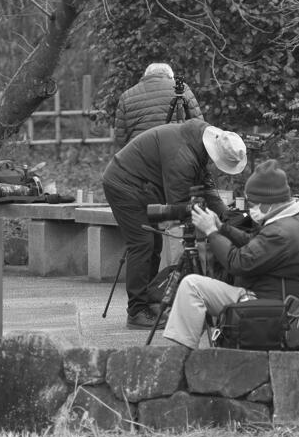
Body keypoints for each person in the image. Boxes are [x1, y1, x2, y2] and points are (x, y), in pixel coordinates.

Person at [102, 119, 247, 329]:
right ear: (214, 154)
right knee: (142, 243)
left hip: (142, 184)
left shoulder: (201, 141)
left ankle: (149, 301)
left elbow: (205, 187)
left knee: (154, 243)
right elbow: (180, 206)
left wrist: (226, 216)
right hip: (123, 184)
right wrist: (212, 226)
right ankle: (136, 311)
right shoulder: (183, 157)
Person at [162, 160, 299, 350]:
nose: (250, 208)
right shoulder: (295, 219)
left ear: (268, 201)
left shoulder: (281, 232)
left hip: (262, 304)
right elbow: (255, 244)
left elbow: (238, 262)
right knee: (198, 285)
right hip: (279, 300)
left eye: (252, 203)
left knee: (192, 285)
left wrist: (211, 232)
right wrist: (223, 228)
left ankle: (179, 355)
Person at [114, 63, 203, 147]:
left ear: (146, 76)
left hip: (140, 151)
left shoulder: (126, 96)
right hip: (176, 149)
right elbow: (198, 124)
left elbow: (120, 136)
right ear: (171, 76)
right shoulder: (182, 89)